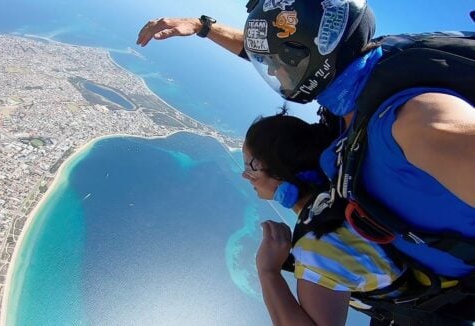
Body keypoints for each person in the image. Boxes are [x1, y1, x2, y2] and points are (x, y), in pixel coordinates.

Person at [136, 0, 474, 286]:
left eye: (275, 63)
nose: (272, 72)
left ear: (305, 56)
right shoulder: (362, 85)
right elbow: (282, 54)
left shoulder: (414, 124)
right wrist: (203, 28)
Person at [243, 112, 473, 325]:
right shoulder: (343, 186)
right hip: (441, 292)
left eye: (251, 166)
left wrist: (268, 271)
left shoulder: (319, 243)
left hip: (433, 311)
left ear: (280, 171)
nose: (246, 176)